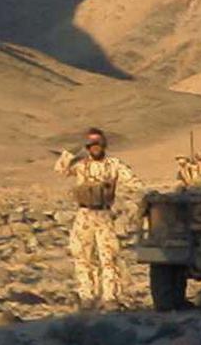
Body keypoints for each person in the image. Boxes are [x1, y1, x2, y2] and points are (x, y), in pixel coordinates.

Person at [54, 127, 144, 310]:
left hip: (104, 215)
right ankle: (87, 295)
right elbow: (60, 169)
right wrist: (73, 151)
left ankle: (110, 296)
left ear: (104, 145)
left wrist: (141, 199)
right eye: (91, 144)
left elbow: (134, 183)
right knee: (83, 257)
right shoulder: (80, 165)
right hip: (84, 215)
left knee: (109, 256)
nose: (95, 147)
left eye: (98, 143)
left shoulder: (114, 165)